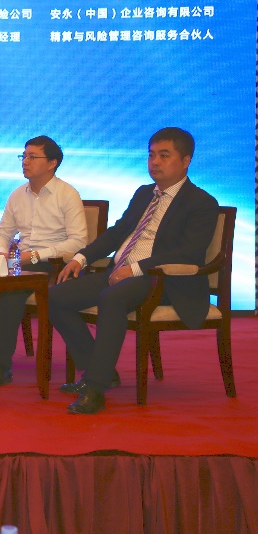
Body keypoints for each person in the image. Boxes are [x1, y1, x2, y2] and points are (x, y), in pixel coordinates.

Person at [49, 127, 218, 414]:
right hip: (119, 272)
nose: (155, 162)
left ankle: (95, 388)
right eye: (151, 155)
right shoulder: (143, 193)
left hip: (162, 280)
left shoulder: (201, 203)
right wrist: (81, 257)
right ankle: (98, 369)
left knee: (113, 297)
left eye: (164, 155)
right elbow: (118, 233)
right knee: (55, 297)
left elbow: (189, 253)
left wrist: (136, 269)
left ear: (186, 160)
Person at [0, 136, 87, 386]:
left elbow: (78, 241)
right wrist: (0, 253)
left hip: (51, 264)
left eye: (32, 157)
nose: (25, 162)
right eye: (24, 156)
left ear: (52, 163)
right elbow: (2, 233)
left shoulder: (67, 194)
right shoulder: (18, 195)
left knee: (8, 294)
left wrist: (35, 256)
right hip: (16, 261)